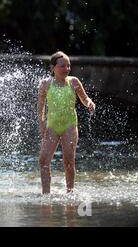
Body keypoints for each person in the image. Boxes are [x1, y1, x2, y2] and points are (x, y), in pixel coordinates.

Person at [37, 51, 96, 194]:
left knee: (68, 161)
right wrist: (42, 123)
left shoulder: (74, 82)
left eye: (68, 66)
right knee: (43, 161)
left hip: (69, 126)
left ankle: (70, 192)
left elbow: (84, 98)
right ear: (53, 68)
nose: (67, 69)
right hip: (52, 126)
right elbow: (41, 107)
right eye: (62, 66)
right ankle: (46, 195)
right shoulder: (45, 84)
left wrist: (89, 103)